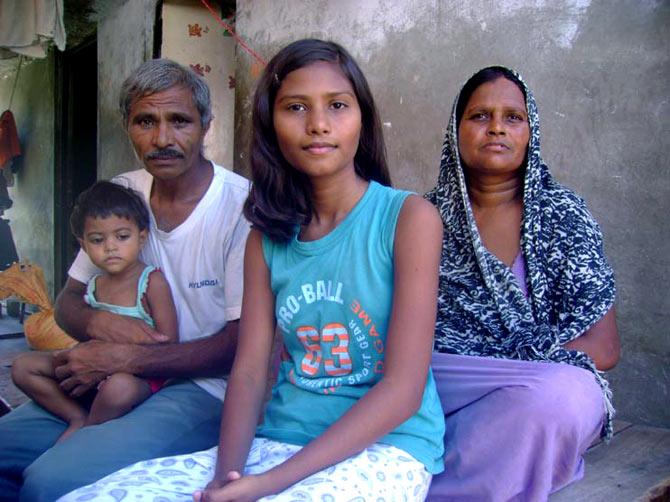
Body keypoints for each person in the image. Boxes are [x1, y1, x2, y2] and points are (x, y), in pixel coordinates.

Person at [59, 38, 446, 502]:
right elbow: (248, 371)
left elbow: (403, 390)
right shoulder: (267, 235)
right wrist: (227, 477)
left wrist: (267, 484)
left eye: (338, 106)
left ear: (362, 118)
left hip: (386, 448)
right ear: (270, 123)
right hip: (279, 437)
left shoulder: (408, 218)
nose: (318, 124)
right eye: (296, 107)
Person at [0, 59, 251, 501]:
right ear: (127, 126)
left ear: (206, 124)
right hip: (107, 376)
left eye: (179, 121)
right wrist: (102, 328)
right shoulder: (124, 193)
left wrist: (126, 359)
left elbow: (241, 345)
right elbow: (69, 302)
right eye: (145, 121)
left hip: (202, 390)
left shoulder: (241, 209)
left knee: (49, 481)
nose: (162, 139)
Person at [424, 66, 620, 501]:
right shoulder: (423, 217)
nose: (496, 127)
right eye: (480, 116)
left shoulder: (565, 215)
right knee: (394, 379)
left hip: (536, 387)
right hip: (445, 381)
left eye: (513, 117)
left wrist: (512, 362)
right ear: (455, 131)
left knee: (561, 399)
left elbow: (604, 348)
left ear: (531, 131)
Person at [11, 181, 179, 442]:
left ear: (142, 237)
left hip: (137, 378)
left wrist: (125, 352)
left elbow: (169, 342)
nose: (110, 247)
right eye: (98, 240)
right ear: (84, 245)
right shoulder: (93, 285)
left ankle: (87, 434)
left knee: (118, 389)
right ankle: (76, 417)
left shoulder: (151, 282)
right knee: (24, 367)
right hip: (91, 371)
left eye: (122, 237)